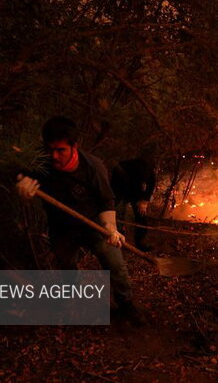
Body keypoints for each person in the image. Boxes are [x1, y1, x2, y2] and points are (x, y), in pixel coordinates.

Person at [15, 116, 144, 324]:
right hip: (61, 228)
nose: (53, 156)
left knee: (115, 263)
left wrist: (111, 228)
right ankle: (68, 300)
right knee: (66, 265)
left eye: (60, 150)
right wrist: (22, 184)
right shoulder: (40, 162)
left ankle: (126, 305)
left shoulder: (93, 168)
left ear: (75, 146)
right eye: (50, 149)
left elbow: (106, 202)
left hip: (95, 225)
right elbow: (19, 174)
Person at [111, 158, 156, 252]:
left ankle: (140, 242)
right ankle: (118, 239)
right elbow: (116, 189)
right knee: (117, 212)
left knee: (141, 214)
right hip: (119, 190)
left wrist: (144, 200)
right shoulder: (121, 170)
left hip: (135, 191)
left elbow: (151, 184)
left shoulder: (147, 169)